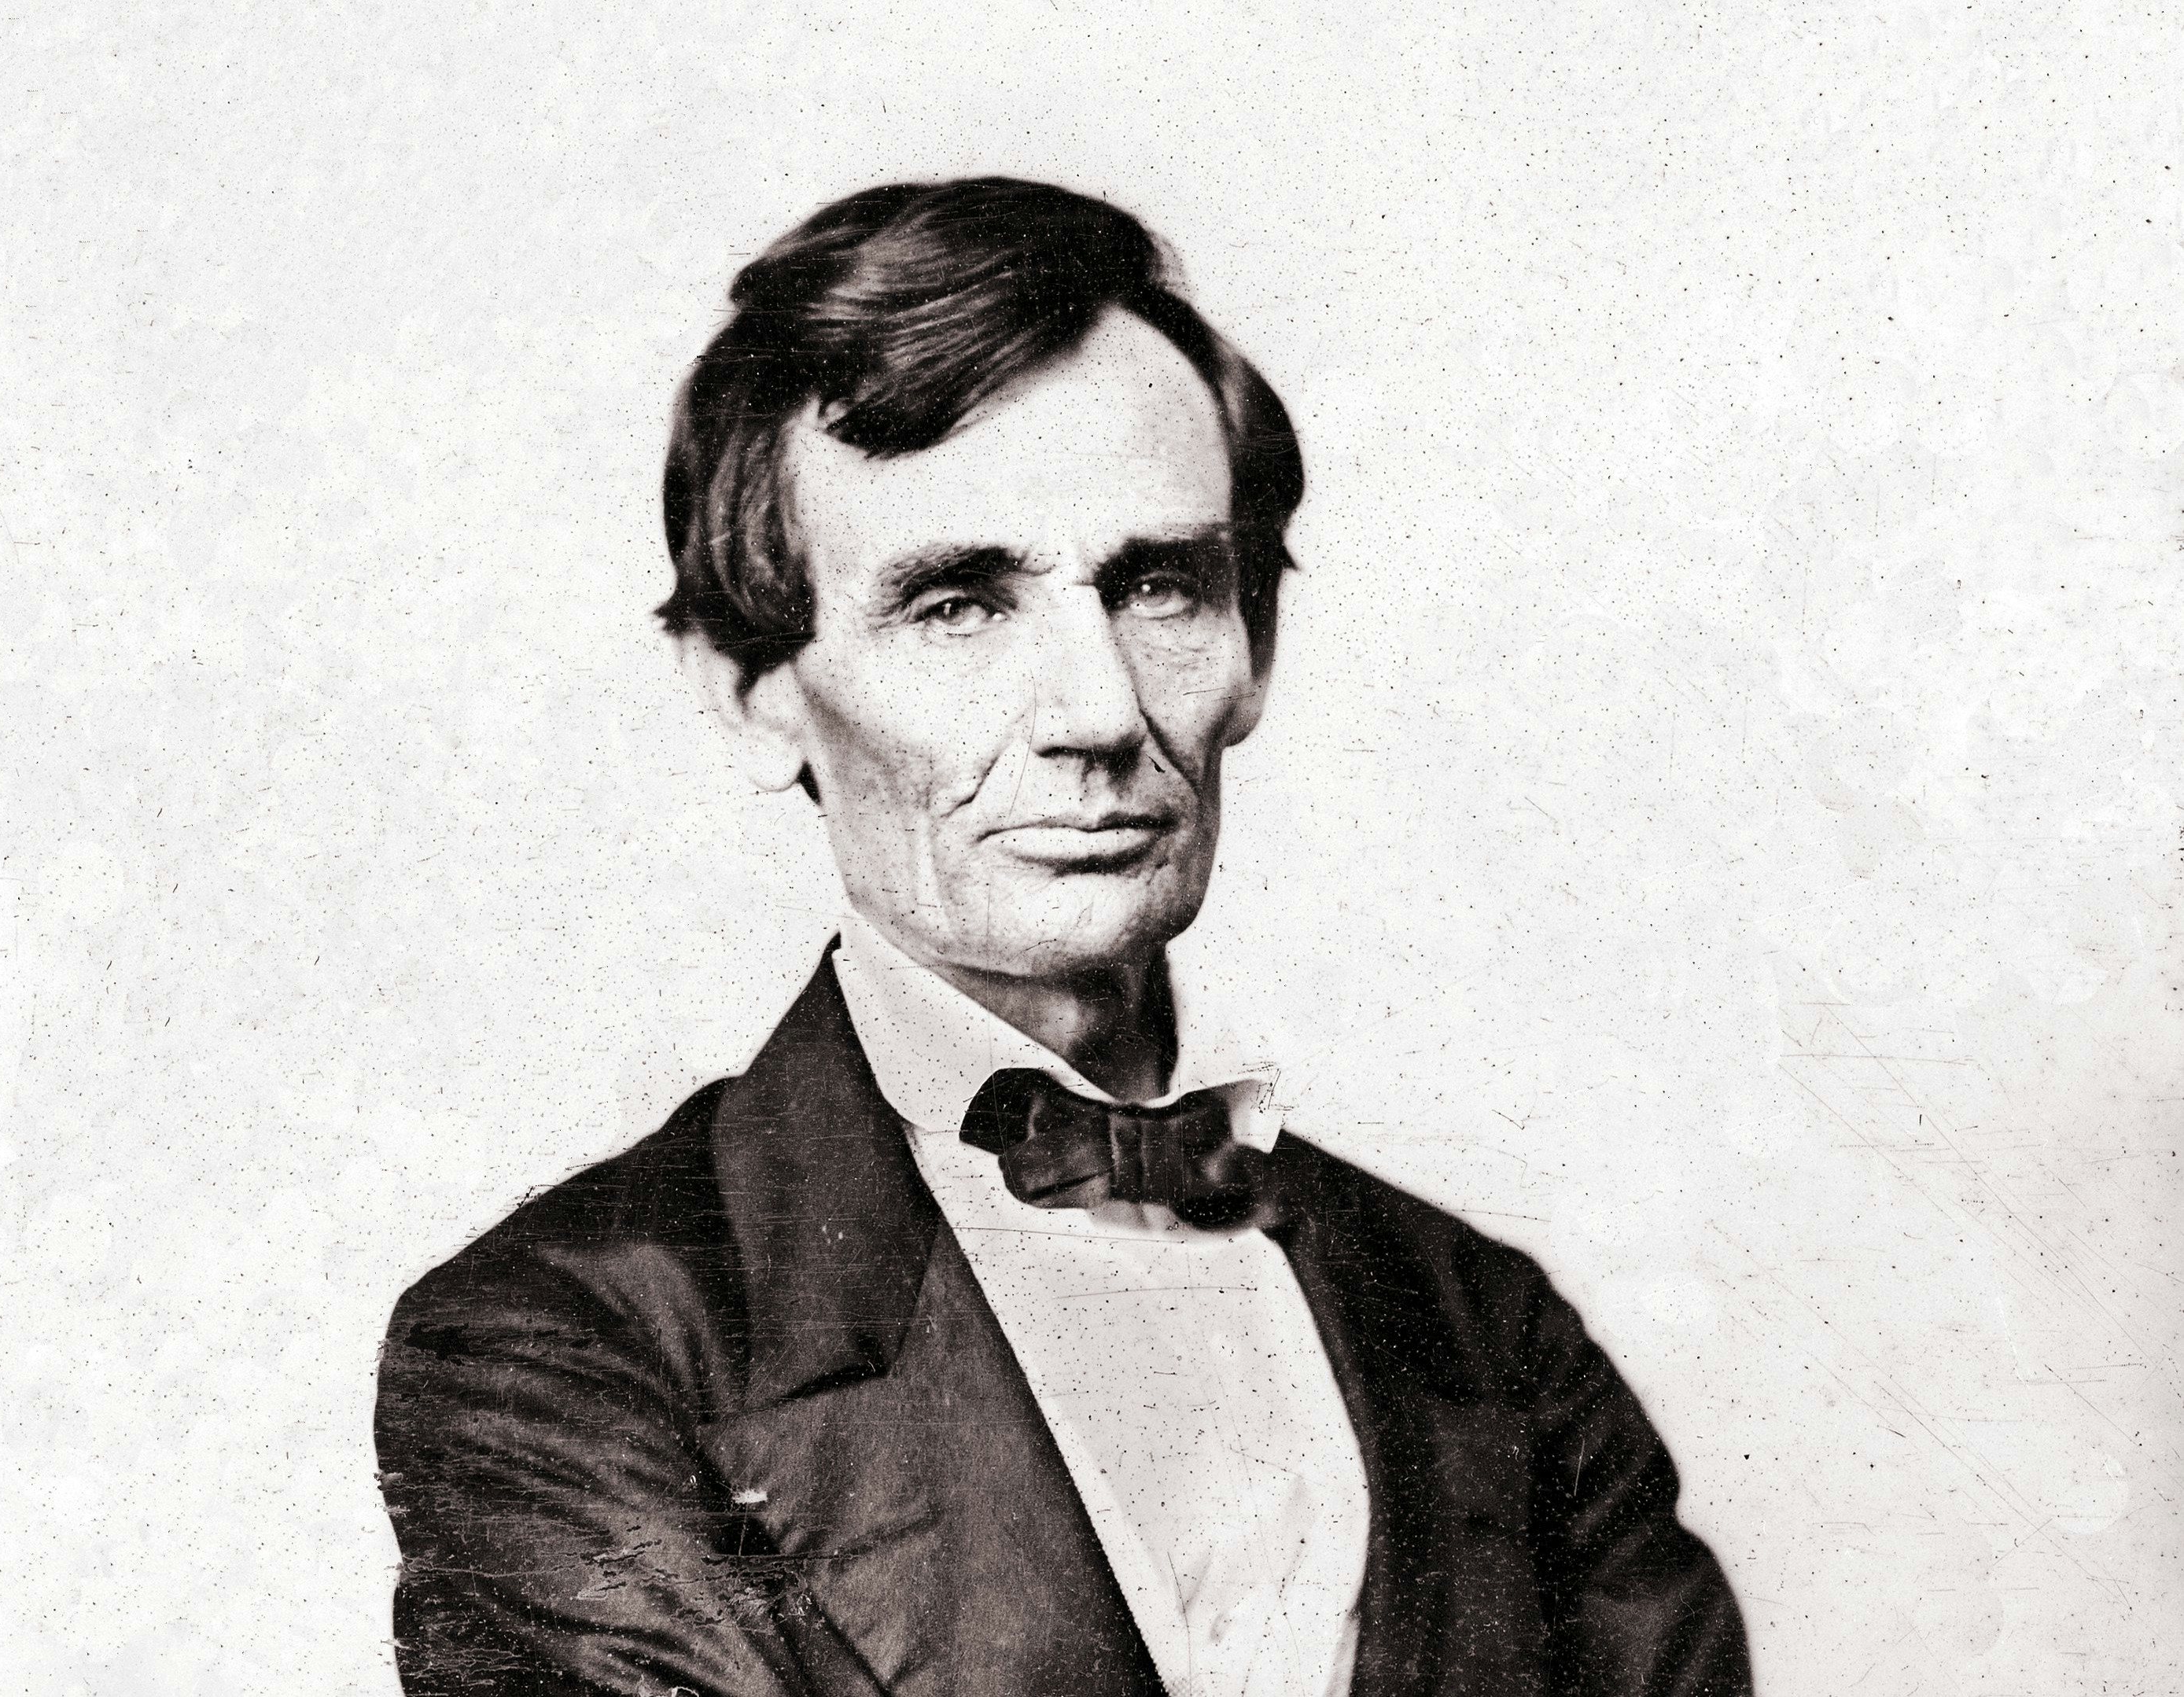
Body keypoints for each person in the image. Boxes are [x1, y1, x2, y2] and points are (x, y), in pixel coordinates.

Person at [374, 177, 1752, 1697]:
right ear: (752, 690)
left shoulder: (1485, 1328)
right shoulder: (568, 1340)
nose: (1099, 712)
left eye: (1160, 587)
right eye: (958, 605)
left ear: (1256, 646)